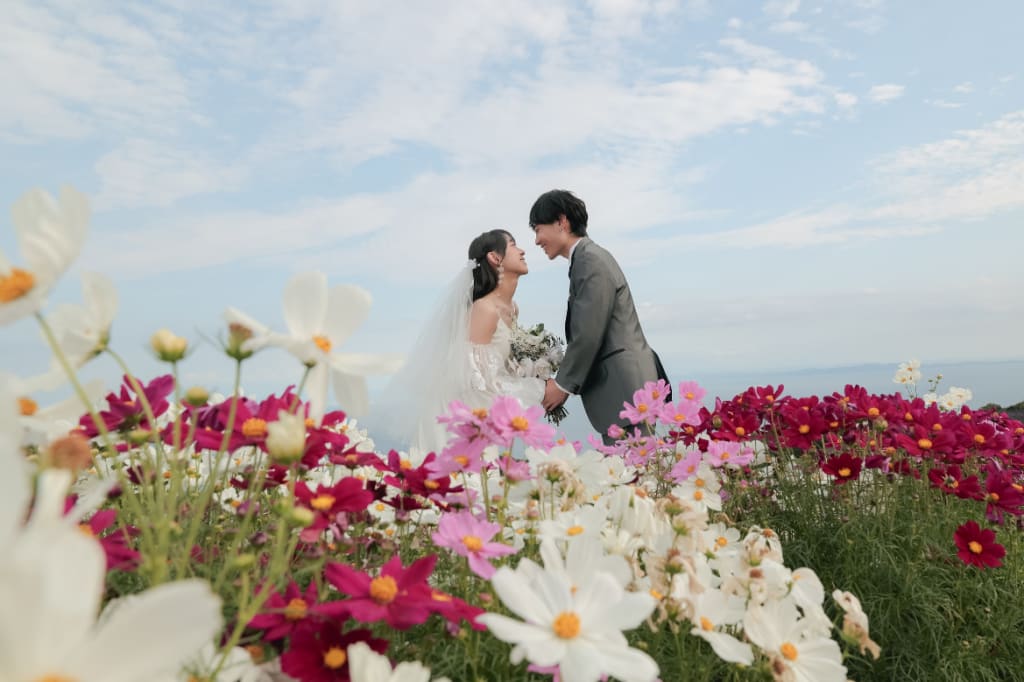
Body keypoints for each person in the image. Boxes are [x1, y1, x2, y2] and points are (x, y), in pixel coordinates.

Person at [372, 229, 543, 453]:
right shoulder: (485, 309)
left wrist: (533, 370)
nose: (522, 251)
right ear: (495, 257)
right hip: (455, 422)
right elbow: (477, 380)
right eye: (513, 245)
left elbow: (502, 366)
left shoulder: (512, 308)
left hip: (479, 416)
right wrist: (538, 388)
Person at [530, 189, 670, 443]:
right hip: (627, 386)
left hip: (626, 389)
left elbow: (589, 331)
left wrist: (562, 385)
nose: (537, 240)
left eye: (538, 229)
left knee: (634, 475)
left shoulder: (590, 259)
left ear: (561, 222)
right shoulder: (586, 259)